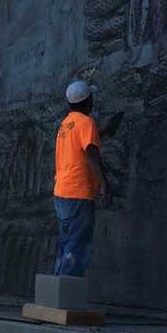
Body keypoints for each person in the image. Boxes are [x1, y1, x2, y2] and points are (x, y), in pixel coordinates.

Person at [53, 78, 105, 278]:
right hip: (79, 193)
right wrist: (103, 185)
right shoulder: (87, 122)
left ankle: (55, 294)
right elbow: (91, 154)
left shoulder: (65, 126)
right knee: (78, 247)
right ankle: (66, 296)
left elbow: (79, 148)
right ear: (88, 101)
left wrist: (102, 133)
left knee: (66, 245)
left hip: (61, 193)